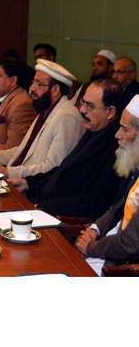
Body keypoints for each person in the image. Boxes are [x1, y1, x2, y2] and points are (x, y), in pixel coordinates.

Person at [7, 78, 124, 219]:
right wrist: (28, 182)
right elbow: (63, 170)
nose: (82, 110)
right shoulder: (93, 131)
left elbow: (97, 202)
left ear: (110, 112)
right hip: (43, 205)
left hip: (60, 219)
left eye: (90, 106)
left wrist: (45, 208)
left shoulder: (117, 147)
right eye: (83, 103)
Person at [0, 59, 85, 178]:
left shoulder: (66, 117)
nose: (32, 88)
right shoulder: (46, 111)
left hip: (32, 190)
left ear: (55, 90)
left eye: (39, 84)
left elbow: (53, 168)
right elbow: (26, 150)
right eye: (33, 82)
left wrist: (10, 172)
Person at [75, 94, 139, 275]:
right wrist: (94, 229)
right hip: (103, 254)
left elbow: (129, 243)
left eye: (125, 129)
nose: (117, 135)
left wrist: (91, 247)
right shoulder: (137, 169)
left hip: (116, 268)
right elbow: (118, 209)